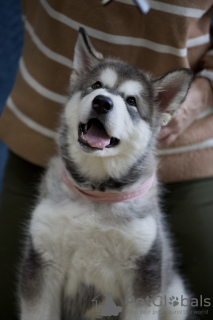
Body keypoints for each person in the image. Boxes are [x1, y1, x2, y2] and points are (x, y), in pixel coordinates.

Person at [0, 0, 213, 319]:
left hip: (186, 155)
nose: (104, 99)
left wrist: (205, 88)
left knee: (198, 297)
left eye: (129, 101)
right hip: (38, 138)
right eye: (96, 87)